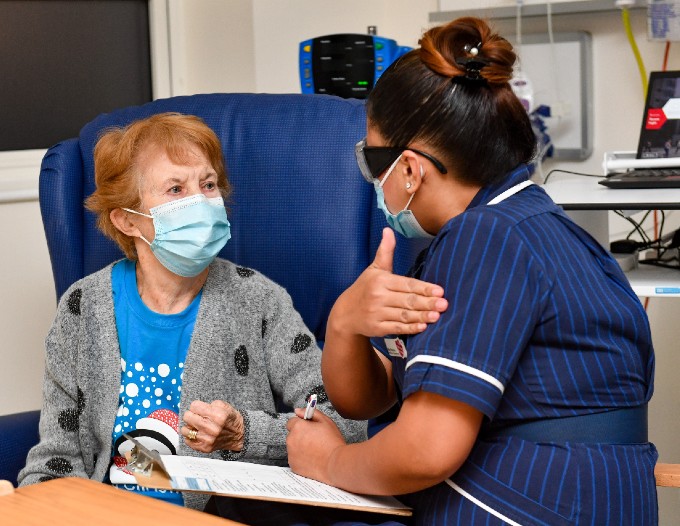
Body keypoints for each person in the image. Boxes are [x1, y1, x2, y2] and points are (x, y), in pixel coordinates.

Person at [286, 17, 658, 525]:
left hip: (535, 502)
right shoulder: (528, 228)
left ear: (411, 170)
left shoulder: (486, 239)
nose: (372, 180)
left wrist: (327, 462)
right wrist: (345, 321)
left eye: (373, 160)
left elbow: (425, 449)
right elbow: (372, 398)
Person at [18, 112, 365, 512]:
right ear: (128, 220)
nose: (200, 202)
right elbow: (57, 457)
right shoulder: (83, 308)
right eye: (176, 189)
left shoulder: (258, 300)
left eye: (208, 184)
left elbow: (346, 421)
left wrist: (244, 434)